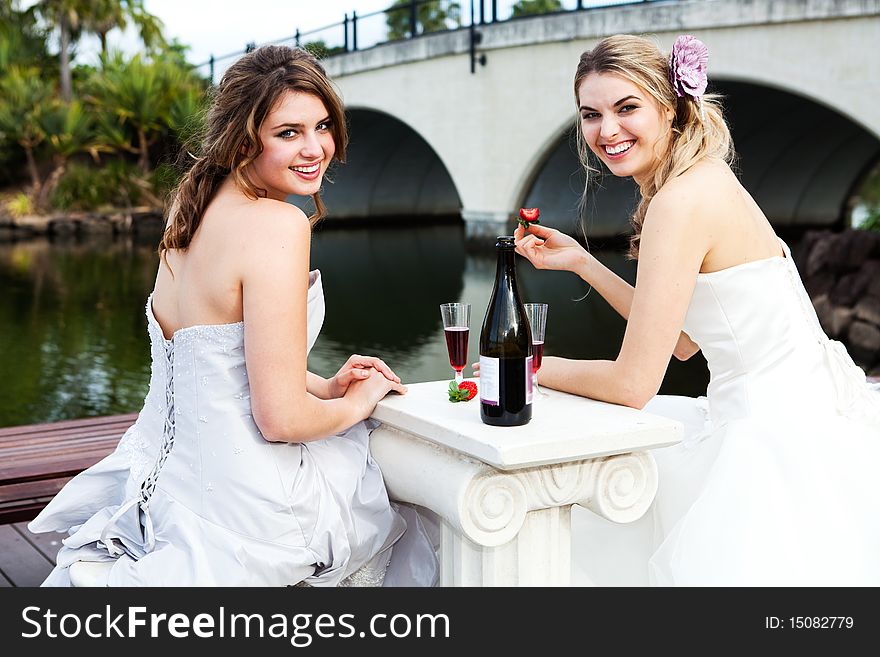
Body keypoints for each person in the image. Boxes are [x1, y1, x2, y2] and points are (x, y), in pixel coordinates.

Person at [28, 45, 438, 587]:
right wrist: (360, 401)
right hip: (251, 512)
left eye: (322, 126)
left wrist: (325, 384)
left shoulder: (191, 209)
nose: (315, 148)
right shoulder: (278, 225)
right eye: (288, 132)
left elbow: (215, 355)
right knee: (424, 522)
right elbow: (282, 421)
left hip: (166, 492)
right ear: (245, 139)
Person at [512, 34, 880, 585]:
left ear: (669, 104)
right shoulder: (706, 177)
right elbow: (685, 339)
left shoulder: (677, 203)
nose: (607, 130)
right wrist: (585, 264)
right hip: (805, 411)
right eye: (592, 115)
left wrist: (520, 367)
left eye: (626, 107)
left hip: (769, 440)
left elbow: (633, 383)